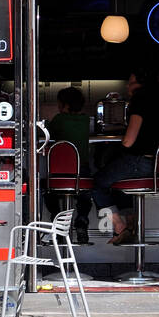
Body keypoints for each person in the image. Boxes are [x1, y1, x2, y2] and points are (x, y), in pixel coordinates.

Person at [83, 71, 159, 245]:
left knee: (98, 183)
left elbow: (129, 141)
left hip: (138, 161)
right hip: (152, 164)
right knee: (116, 183)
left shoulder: (140, 100)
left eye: (131, 83)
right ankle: (131, 224)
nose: (128, 87)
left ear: (141, 84)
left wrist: (118, 143)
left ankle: (119, 227)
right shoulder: (158, 101)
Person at [46, 86, 92, 240]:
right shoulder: (86, 120)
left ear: (64, 105)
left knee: (45, 188)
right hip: (81, 175)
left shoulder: (59, 119)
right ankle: (82, 220)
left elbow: (47, 132)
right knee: (85, 193)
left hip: (60, 176)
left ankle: (58, 220)